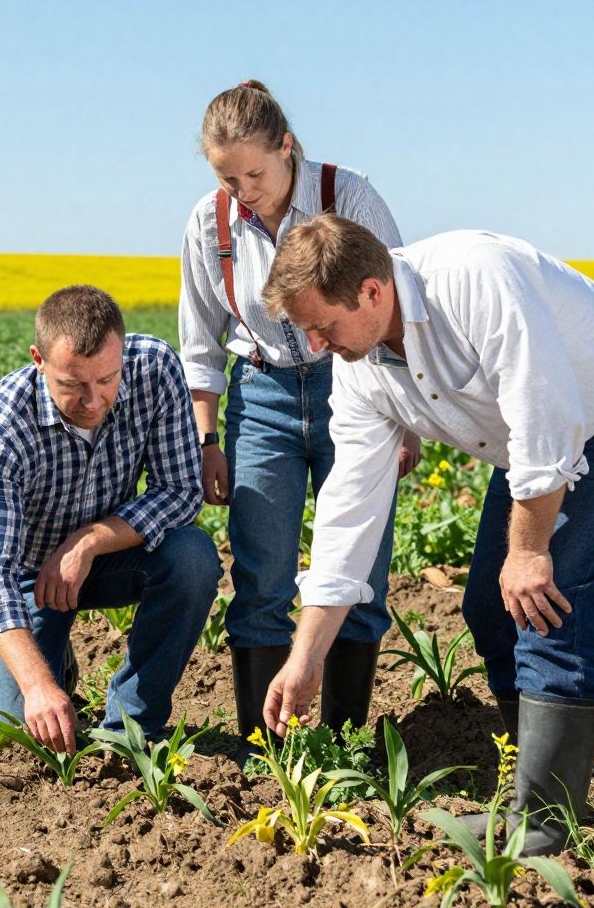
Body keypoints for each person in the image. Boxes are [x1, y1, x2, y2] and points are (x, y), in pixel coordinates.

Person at [258, 217, 594, 854]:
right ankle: (536, 789)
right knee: (490, 607)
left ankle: (546, 825)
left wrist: (529, 550)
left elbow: (545, 412)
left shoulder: (475, 277)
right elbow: (348, 509)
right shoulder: (359, 364)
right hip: (535, 442)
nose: (317, 345)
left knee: (549, 611)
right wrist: (306, 656)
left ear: (373, 292)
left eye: (323, 325)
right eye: (306, 331)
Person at [178, 80, 418, 747]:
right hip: (262, 397)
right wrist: (206, 439)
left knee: (361, 565)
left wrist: (406, 419)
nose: (243, 189)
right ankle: (267, 749)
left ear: (287, 147)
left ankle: (343, 742)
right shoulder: (209, 223)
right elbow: (199, 341)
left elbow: (392, 305)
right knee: (261, 572)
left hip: (355, 386)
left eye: (255, 172)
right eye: (227, 177)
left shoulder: (351, 196)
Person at [0, 284, 222, 752]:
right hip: (27, 578)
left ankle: (131, 726)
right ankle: (53, 663)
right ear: (38, 361)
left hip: (111, 557)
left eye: (107, 379)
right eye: (72, 384)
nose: (93, 400)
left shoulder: (154, 370)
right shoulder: (0, 426)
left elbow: (180, 492)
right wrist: (37, 685)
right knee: (10, 740)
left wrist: (88, 541)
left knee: (193, 557)